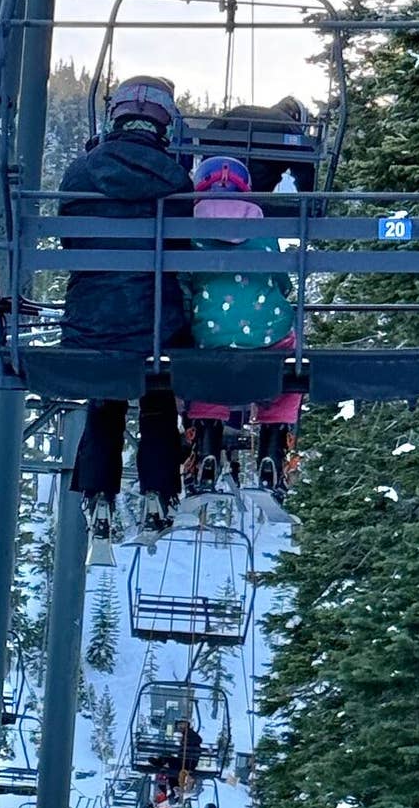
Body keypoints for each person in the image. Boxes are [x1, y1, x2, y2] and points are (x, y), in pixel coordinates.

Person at [60, 76, 194, 558]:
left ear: (114, 116)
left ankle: (99, 495)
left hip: (89, 324)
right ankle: (158, 489)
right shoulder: (177, 180)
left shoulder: (80, 173)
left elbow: (71, 245)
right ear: (163, 124)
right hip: (157, 327)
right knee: (158, 386)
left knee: (108, 388)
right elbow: (182, 255)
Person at [186, 154, 295, 355]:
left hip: (211, 338)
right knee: (285, 333)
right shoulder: (264, 231)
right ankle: (287, 384)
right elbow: (283, 281)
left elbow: (185, 285)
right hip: (270, 336)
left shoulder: (191, 233)